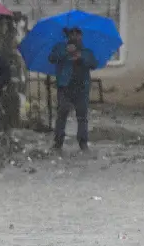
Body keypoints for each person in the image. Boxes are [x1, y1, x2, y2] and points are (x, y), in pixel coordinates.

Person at [48, 27, 98, 155]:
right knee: (61, 115)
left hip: (81, 88)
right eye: (72, 34)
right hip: (65, 87)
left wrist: (80, 58)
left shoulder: (86, 51)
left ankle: (83, 143)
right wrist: (66, 52)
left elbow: (93, 64)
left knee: (82, 117)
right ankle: (58, 142)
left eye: (77, 34)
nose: (75, 37)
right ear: (68, 36)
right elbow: (52, 58)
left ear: (81, 36)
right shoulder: (61, 48)